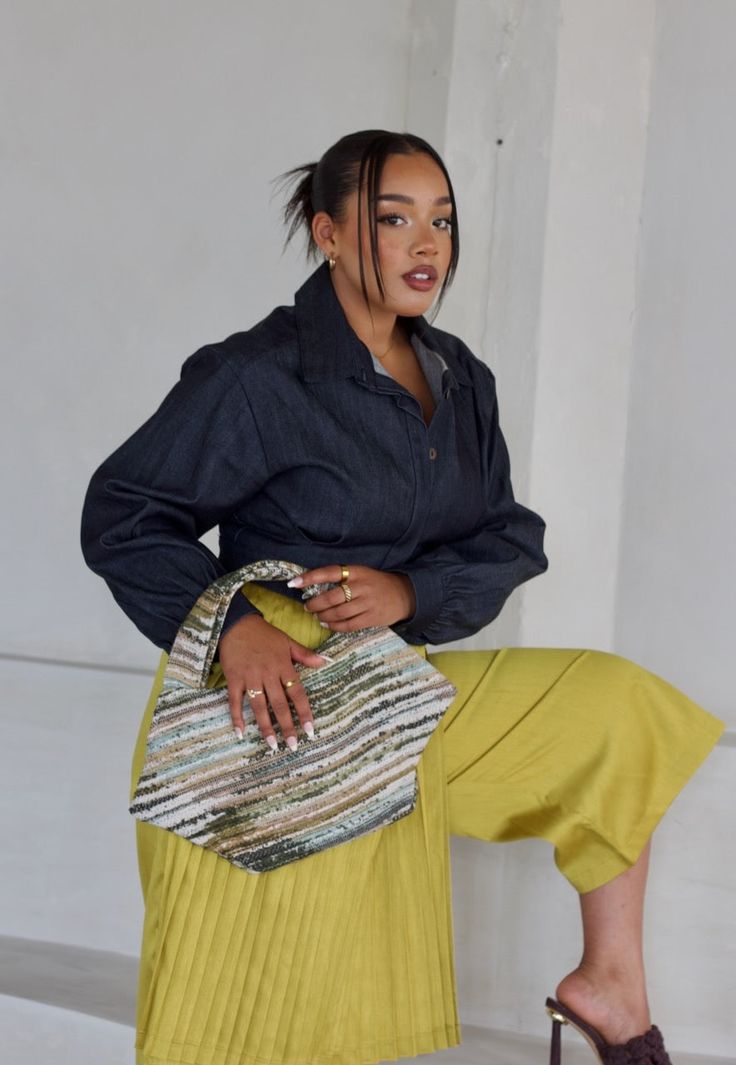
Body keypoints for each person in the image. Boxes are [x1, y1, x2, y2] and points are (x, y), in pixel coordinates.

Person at [81, 130, 723, 1065]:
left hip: (393, 693)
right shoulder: (258, 375)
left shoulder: (462, 379)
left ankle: (610, 988)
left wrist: (410, 589)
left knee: (616, 710)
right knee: (260, 1010)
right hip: (273, 707)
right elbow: (125, 512)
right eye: (394, 220)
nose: (427, 244)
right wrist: (234, 628)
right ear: (330, 234)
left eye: (442, 220)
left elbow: (507, 535)